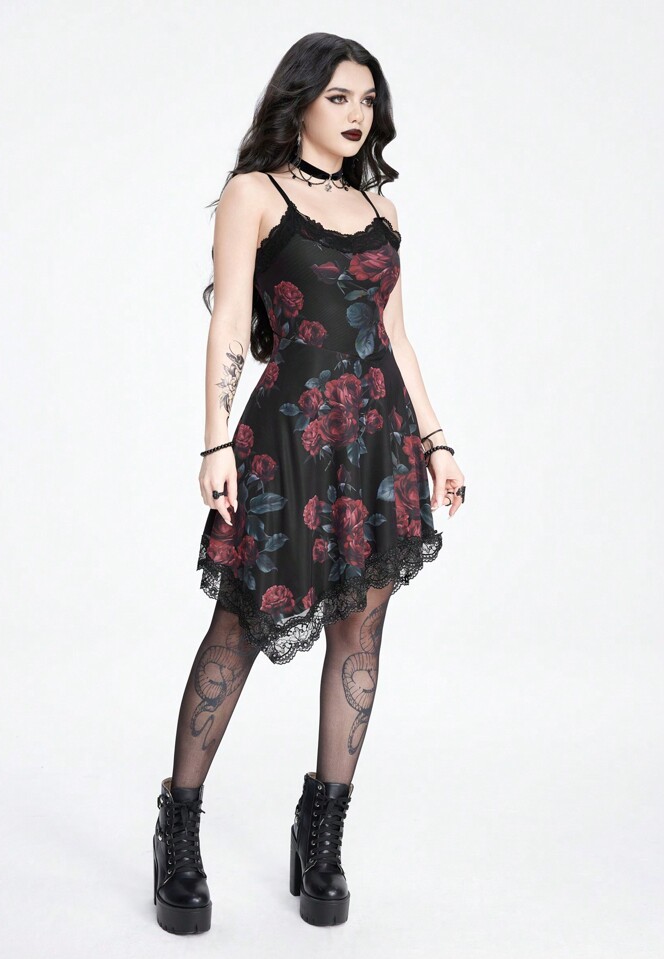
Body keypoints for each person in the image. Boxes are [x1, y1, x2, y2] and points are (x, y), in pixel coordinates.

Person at [152, 32, 466, 935]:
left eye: (367, 99)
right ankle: (179, 828)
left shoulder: (383, 209)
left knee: (360, 629)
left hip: (377, 443)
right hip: (289, 439)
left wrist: (437, 442)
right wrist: (215, 443)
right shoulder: (255, 194)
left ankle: (320, 836)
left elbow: (396, 337)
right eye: (339, 97)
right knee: (241, 623)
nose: (357, 113)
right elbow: (227, 325)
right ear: (300, 101)